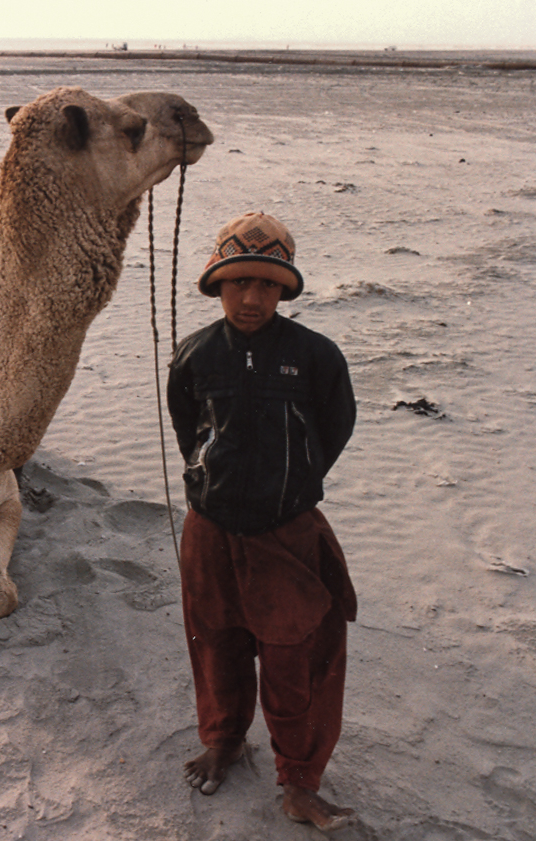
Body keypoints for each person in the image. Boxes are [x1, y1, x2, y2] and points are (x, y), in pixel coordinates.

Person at [166, 212, 359, 832]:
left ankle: (300, 780)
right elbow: (187, 427)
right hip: (210, 529)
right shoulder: (194, 355)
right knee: (215, 641)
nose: (251, 299)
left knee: (295, 655)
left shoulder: (315, 357)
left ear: (285, 291)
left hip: (288, 531)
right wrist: (216, 486)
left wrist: (290, 484)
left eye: (268, 286)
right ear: (216, 285)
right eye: (238, 283)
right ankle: (223, 740)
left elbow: (334, 429)